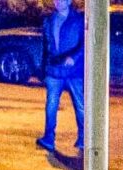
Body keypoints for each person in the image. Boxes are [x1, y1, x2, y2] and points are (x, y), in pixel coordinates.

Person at [40, 0, 85, 158]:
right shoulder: (49, 20)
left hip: (74, 71)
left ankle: (83, 138)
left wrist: (74, 57)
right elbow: (46, 46)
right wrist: (44, 69)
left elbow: (84, 43)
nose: (58, 2)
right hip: (54, 71)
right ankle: (48, 138)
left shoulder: (78, 19)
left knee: (80, 105)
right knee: (51, 104)